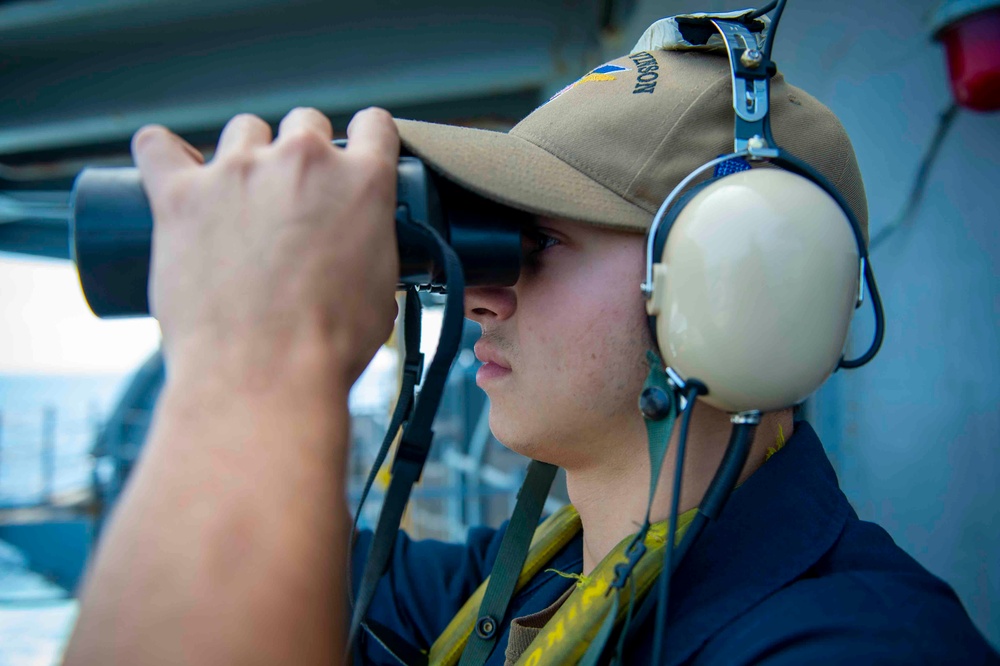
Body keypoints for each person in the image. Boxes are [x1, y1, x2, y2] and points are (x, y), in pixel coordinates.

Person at [64, 45, 997, 666]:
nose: (477, 293)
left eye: (536, 245)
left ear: (744, 286)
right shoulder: (519, 588)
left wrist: (257, 361)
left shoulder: (862, 645)